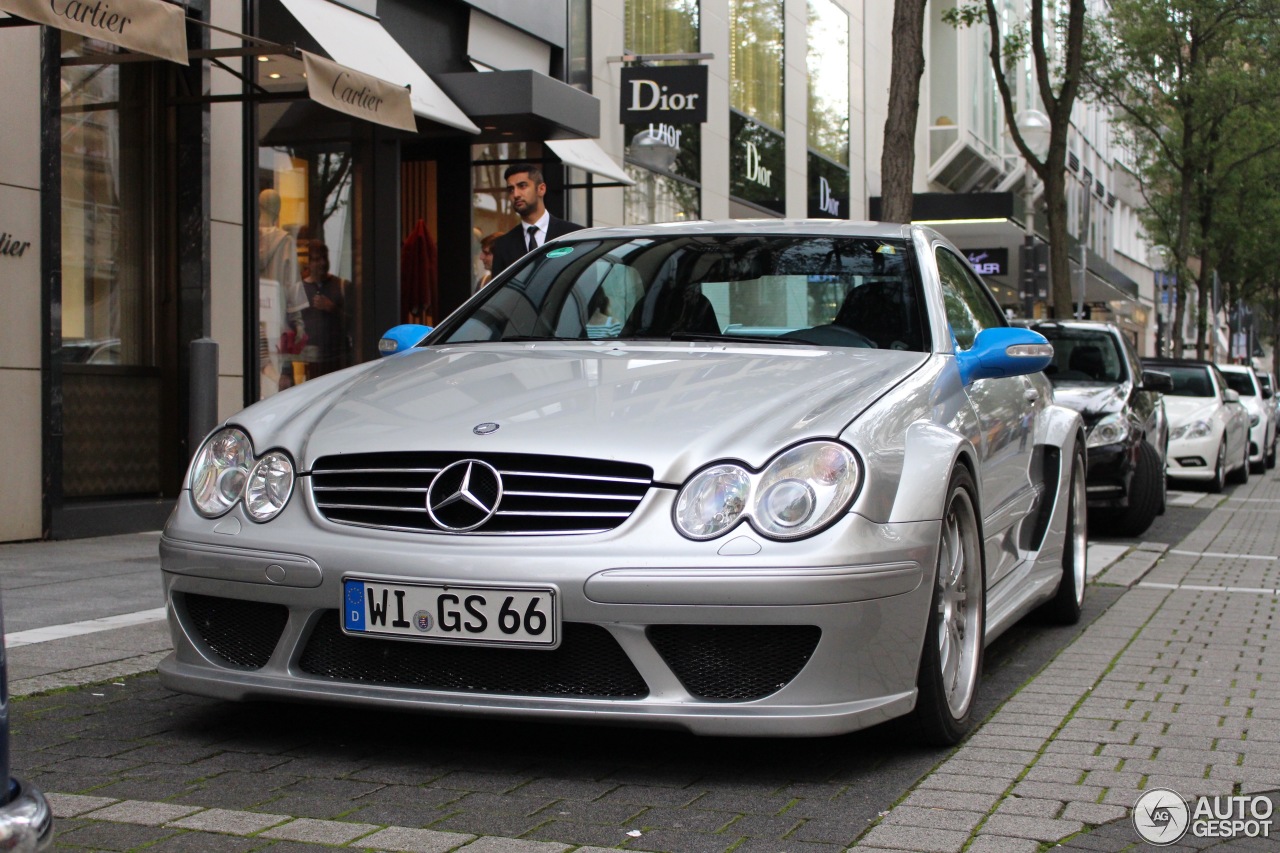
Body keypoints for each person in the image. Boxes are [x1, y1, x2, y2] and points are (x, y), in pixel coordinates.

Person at [489, 163, 584, 276]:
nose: (516, 194)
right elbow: (502, 292)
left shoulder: (574, 235)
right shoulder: (503, 245)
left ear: (541, 189)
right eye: (511, 189)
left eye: (522, 186)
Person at [257, 188, 307, 397]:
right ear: (276, 209)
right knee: (275, 366)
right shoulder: (284, 241)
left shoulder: (249, 236)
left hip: (251, 310)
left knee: (257, 364)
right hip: (274, 312)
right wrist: (298, 321)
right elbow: (292, 283)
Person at [299, 240, 350, 379]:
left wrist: (332, 308)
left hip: (339, 361)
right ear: (308, 263)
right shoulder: (299, 290)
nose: (322, 263)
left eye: (324, 258)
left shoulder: (342, 286)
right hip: (309, 362)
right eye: (316, 259)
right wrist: (286, 371)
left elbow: (357, 325)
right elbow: (289, 328)